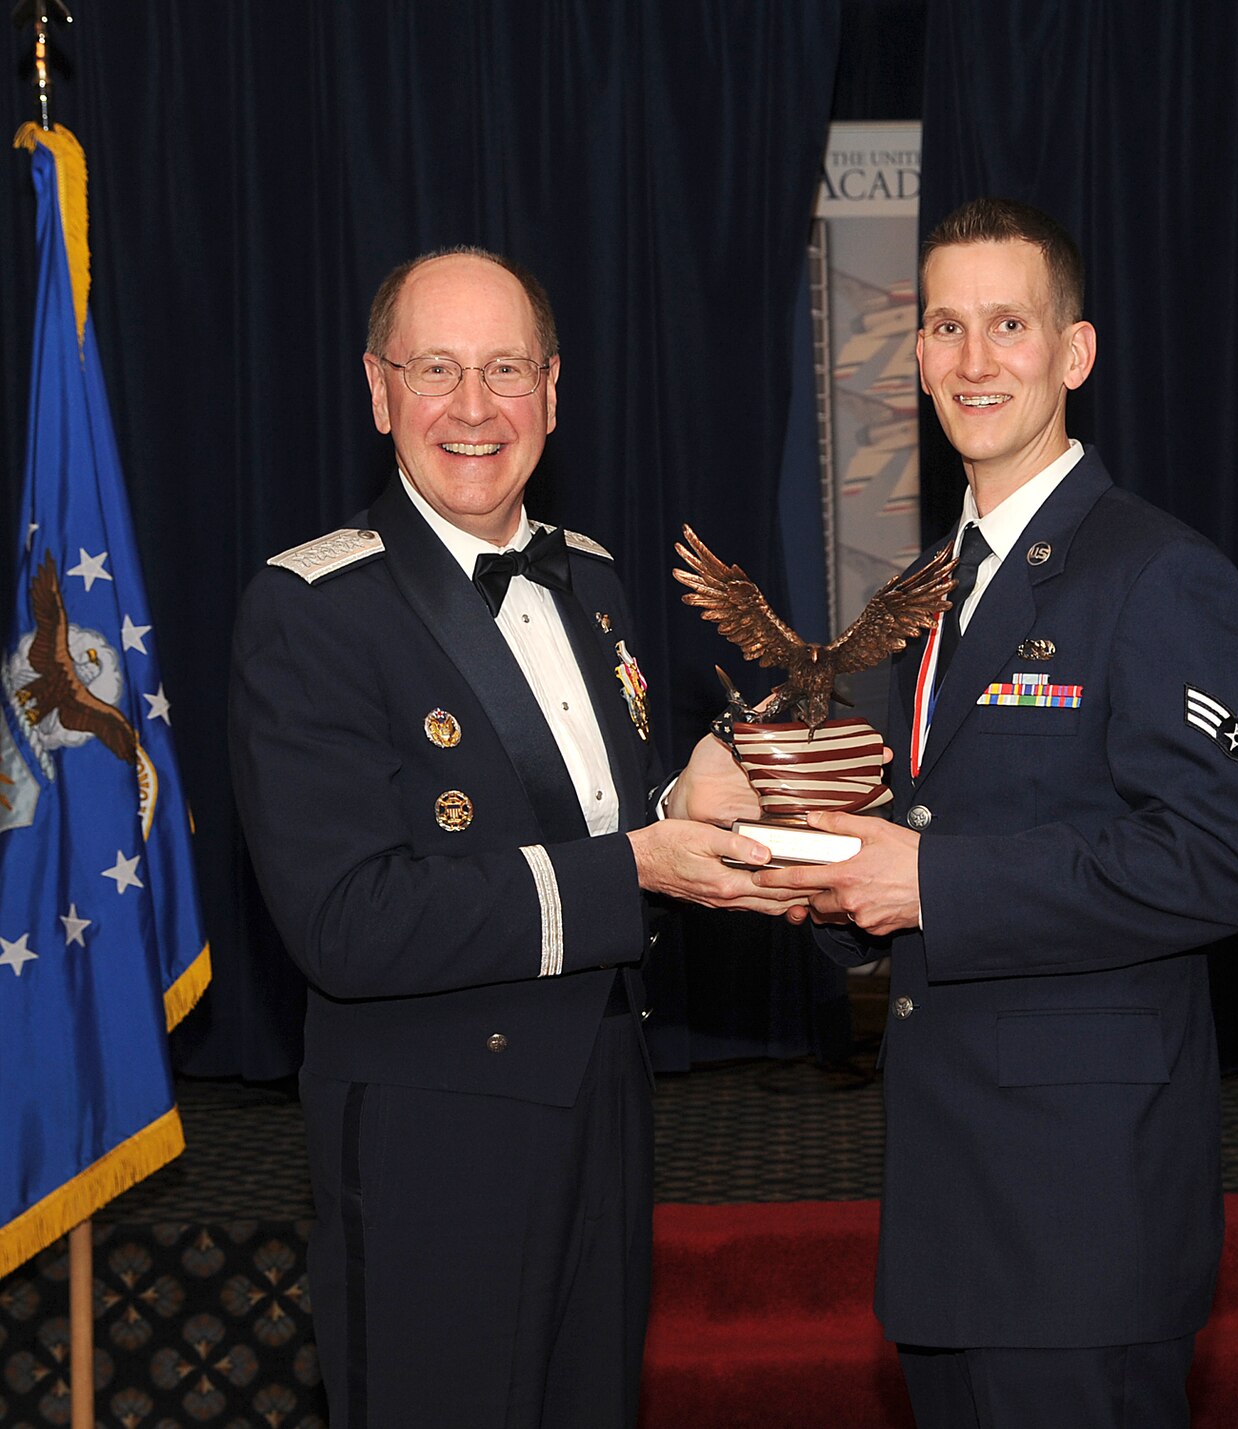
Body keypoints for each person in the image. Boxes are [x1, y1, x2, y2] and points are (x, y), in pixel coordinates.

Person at [229, 247, 791, 1429]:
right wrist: (639, 861)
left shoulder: (591, 581)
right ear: (380, 391)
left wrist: (687, 812)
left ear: (552, 389)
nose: (473, 408)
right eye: (436, 369)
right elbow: (348, 924)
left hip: (606, 1103)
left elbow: (597, 826)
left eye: (502, 369)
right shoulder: (311, 610)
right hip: (437, 1136)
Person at [757, 198, 1238, 1428]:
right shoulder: (923, 598)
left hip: (1084, 1224)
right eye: (945, 326)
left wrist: (928, 886)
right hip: (947, 1214)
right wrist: (810, 873)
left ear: (1074, 353)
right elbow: (917, 838)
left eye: (1008, 323)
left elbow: (1218, 861)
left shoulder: (1161, 574)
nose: (974, 359)